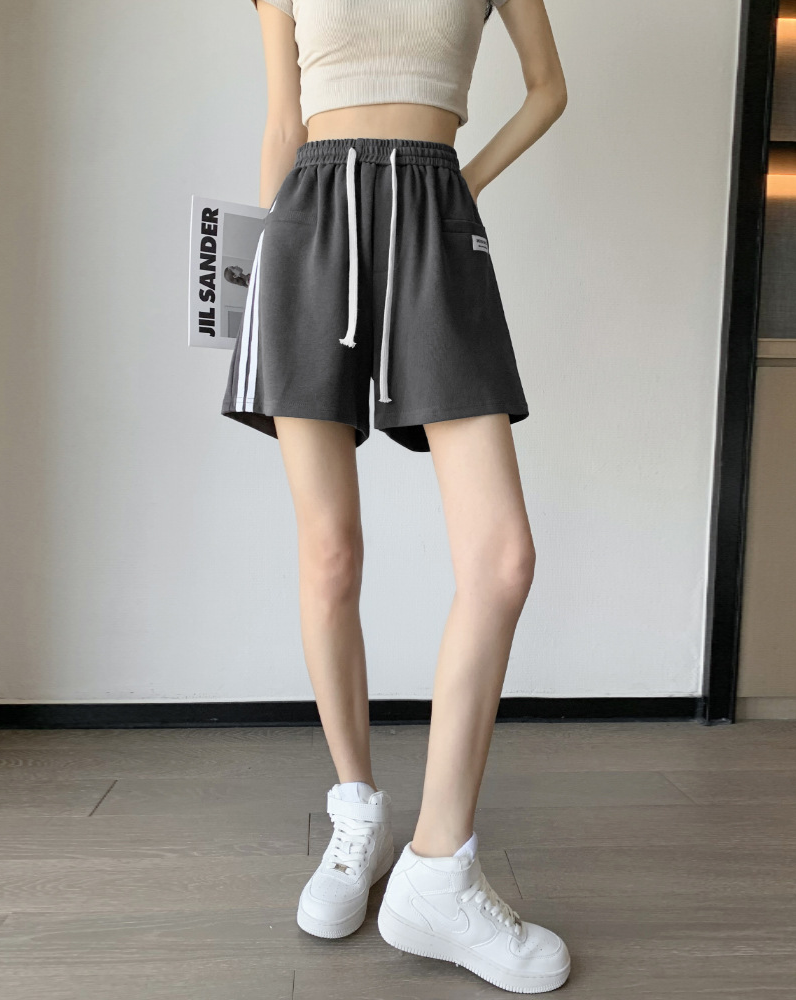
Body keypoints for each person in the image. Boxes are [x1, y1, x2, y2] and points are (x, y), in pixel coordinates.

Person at [223, 0, 569, 992]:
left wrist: (463, 183)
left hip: (432, 216)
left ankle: (437, 869)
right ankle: (358, 811)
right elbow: (283, 119)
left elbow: (548, 89)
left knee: (502, 560)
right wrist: (260, 293)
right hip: (309, 222)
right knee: (330, 552)